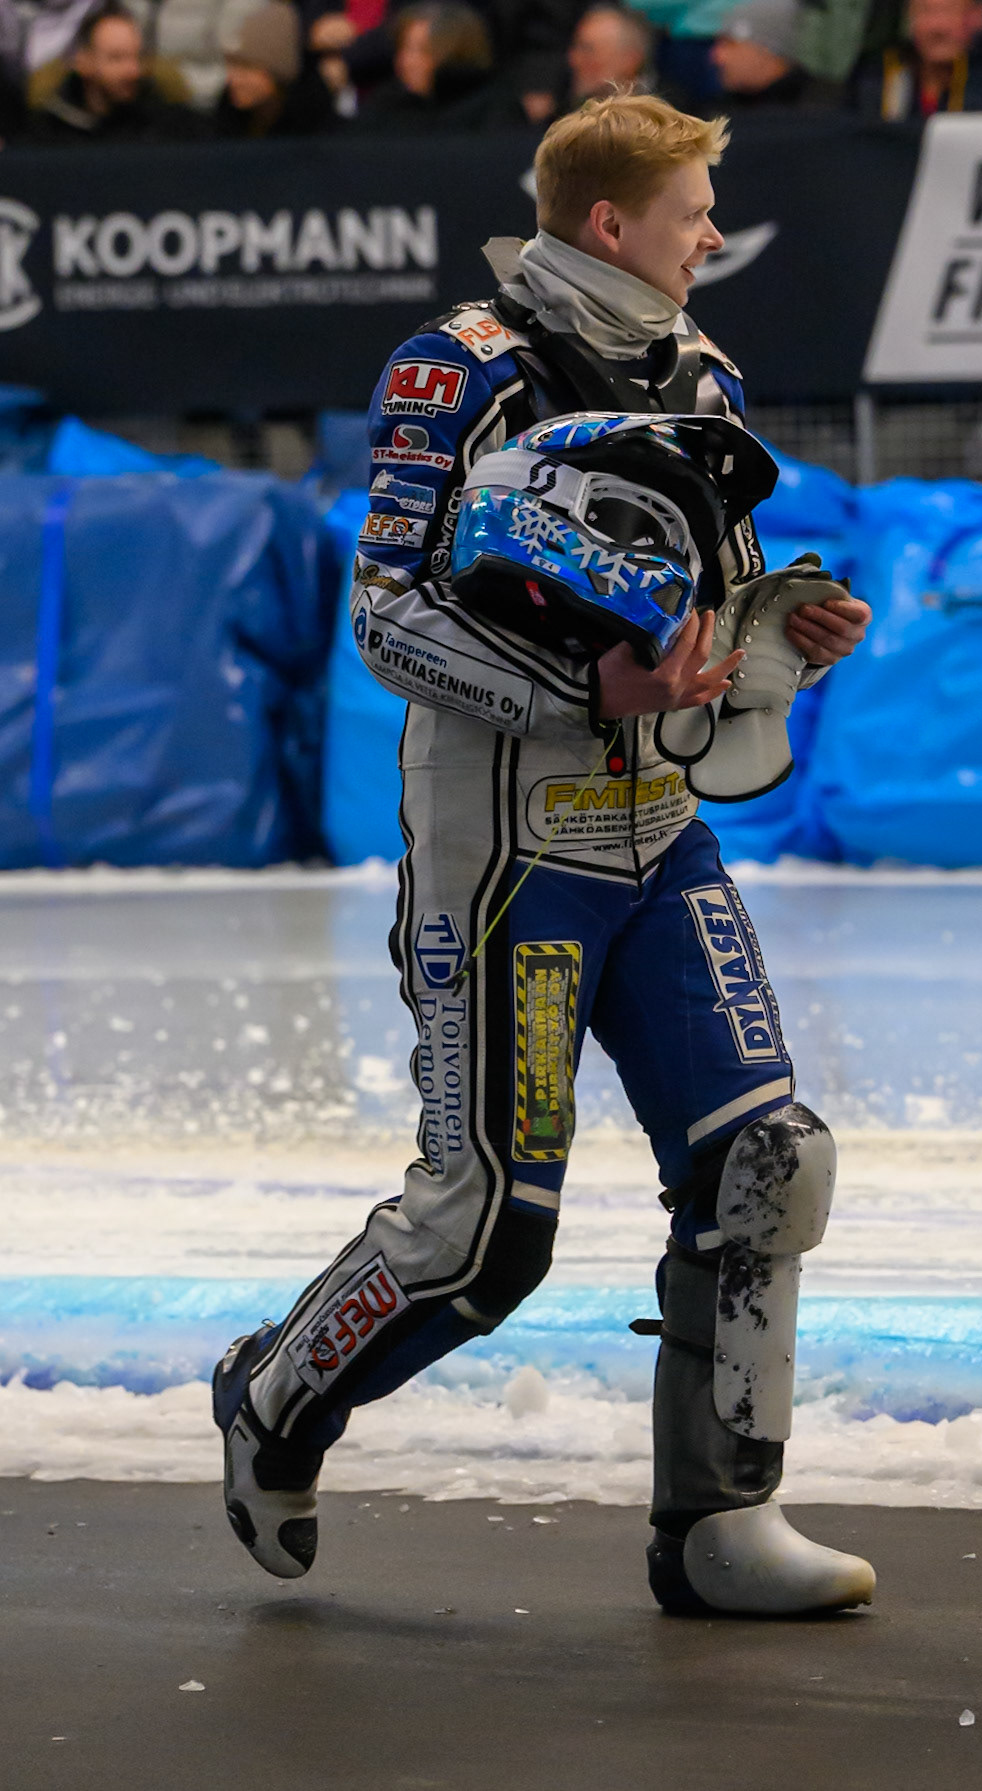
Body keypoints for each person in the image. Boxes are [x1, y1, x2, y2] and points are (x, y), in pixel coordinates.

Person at [213, 92, 878, 1619]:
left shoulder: (697, 366)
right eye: (696, 206)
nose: (712, 232)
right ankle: (273, 1399)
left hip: (660, 835)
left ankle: (720, 1522)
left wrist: (774, 639)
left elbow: (689, 625)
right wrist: (588, 690)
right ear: (609, 223)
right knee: (483, 1232)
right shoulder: (459, 364)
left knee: (766, 1166)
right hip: (507, 859)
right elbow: (386, 614)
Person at [28, 2, 209, 141]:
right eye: (116, 58)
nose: (133, 70)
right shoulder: (48, 130)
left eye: (136, 57)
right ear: (82, 62)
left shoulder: (169, 126)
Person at [847, 0, 982, 119]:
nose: (937, 27)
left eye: (948, 12)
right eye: (925, 12)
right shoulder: (875, 77)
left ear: (976, 16)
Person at [353, 0, 512, 128]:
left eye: (422, 50)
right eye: (404, 48)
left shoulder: (495, 112)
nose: (406, 61)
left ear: (457, 54)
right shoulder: (383, 107)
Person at [215, 0, 338, 134]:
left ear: (277, 73)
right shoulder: (220, 125)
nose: (231, 78)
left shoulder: (321, 134)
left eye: (245, 67)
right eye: (231, 65)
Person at [710, 0, 840, 108]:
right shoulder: (716, 114)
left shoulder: (828, 109)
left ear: (766, 48)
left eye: (729, 44)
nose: (717, 57)